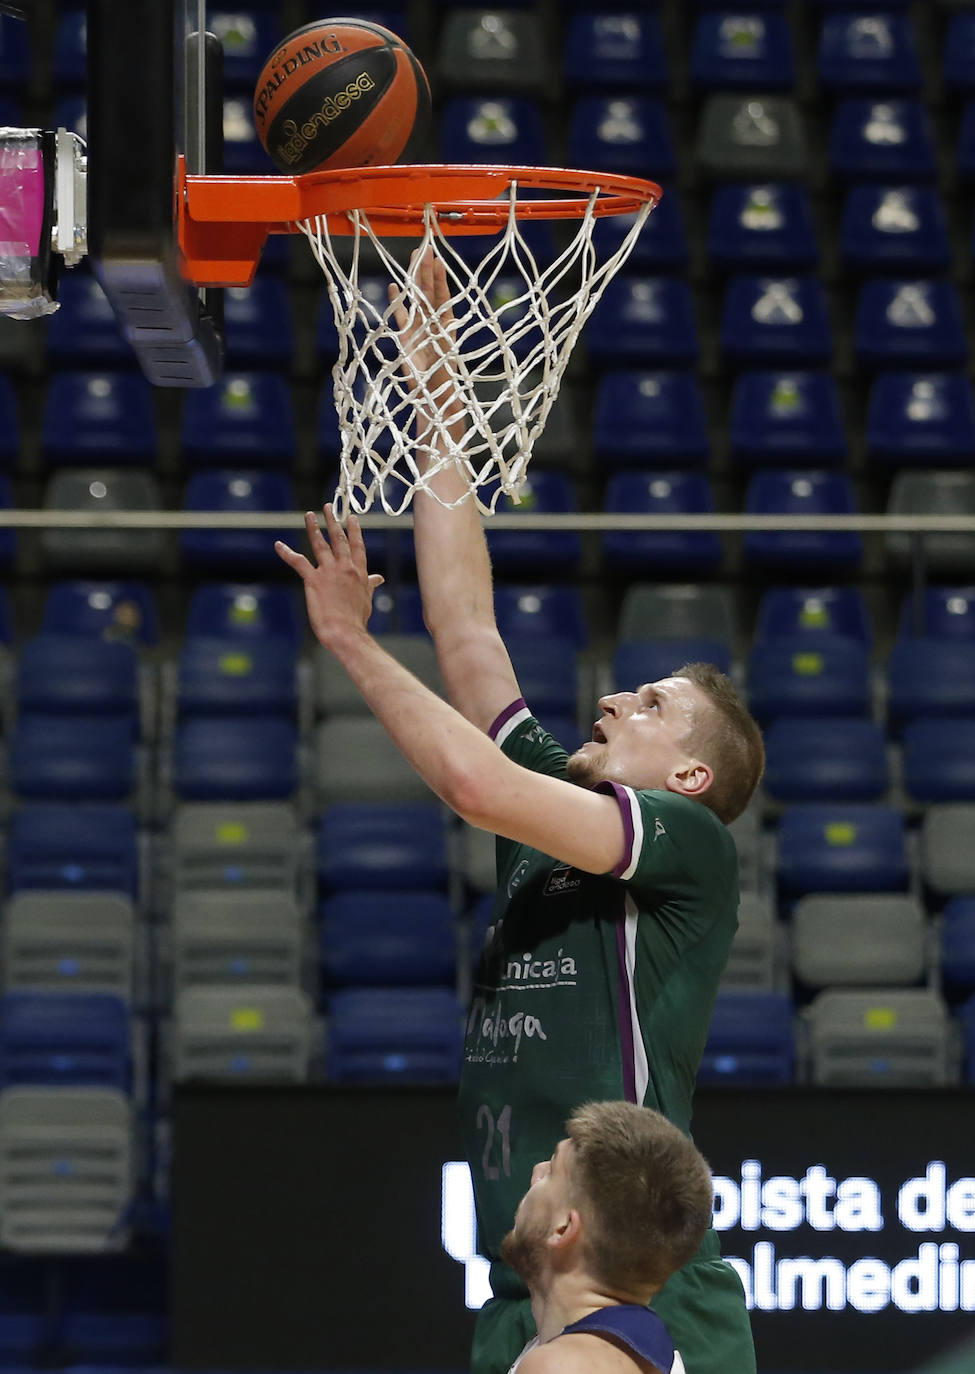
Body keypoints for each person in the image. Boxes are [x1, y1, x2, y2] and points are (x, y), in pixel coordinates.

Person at [275, 251, 764, 1374]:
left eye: (649, 706)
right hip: (531, 1285)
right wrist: (433, 364)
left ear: (689, 777)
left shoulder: (685, 845)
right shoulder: (558, 820)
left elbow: (470, 783)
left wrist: (350, 642)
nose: (610, 697)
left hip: (648, 1288)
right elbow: (465, 628)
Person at [502, 1099, 714, 1374]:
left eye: (552, 1172)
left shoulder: (565, 1367)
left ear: (563, 1228)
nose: (535, 1174)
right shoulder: (629, 1354)